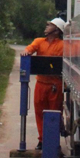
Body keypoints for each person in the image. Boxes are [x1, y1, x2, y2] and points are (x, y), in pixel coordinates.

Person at [21, 18, 66, 150]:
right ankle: (42, 140)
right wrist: (27, 52)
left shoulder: (63, 45)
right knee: (39, 113)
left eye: (50, 25)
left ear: (57, 30)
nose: (46, 27)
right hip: (41, 84)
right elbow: (30, 48)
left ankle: (53, 141)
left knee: (54, 113)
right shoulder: (39, 41)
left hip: (55, 85)